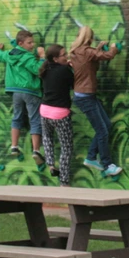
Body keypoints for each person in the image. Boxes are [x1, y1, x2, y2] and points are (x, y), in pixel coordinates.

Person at [68, 26, 122, 177]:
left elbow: (91, 65)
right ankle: (107, 165)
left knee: (106, 126)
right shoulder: (87, 52)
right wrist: (113, 48)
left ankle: (91, 157)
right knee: (102, 131)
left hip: (85, 95)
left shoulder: (76, 52)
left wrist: (97, 49)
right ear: (89, 38)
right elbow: (108, 55)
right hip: (85, 97)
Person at [0, 29, 45, 166]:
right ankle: (36, 151)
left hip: (16, 92)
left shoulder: (10, 54)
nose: (33, 45)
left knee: (17, 117)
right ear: (21, 43)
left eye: (33, 42)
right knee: (35, 119)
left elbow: (0, 56)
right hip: (30, 92)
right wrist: (42, 57)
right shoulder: (27, 57)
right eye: (29, 43)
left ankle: (14, 146)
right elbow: (38, 70)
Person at [39, 44, 74, 186]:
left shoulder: (45, 69)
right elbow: (74, 84)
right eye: (64, 55)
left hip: (44, 110)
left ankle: (51, 165)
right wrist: (71, 68)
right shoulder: (65, 70)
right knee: (66, 147)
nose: (66, 56)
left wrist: (66, 65)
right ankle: (64, 181)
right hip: (60, 113)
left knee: (47, 138)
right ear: (55, 58)